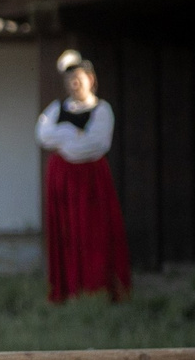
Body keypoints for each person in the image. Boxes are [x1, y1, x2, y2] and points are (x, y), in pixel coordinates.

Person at [36, 51, 131, 303]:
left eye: (78, 78)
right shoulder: (57, 108)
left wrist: (66, 141)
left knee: (96, 232)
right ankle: (68, 289)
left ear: (90, 79)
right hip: (63, 181)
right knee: (66, 233)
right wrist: (70, 133)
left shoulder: (102, 110)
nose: (73, 83)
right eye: (69, 79)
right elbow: (43, 135)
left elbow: (96, 142)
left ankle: (98, 287)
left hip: (91, 183)